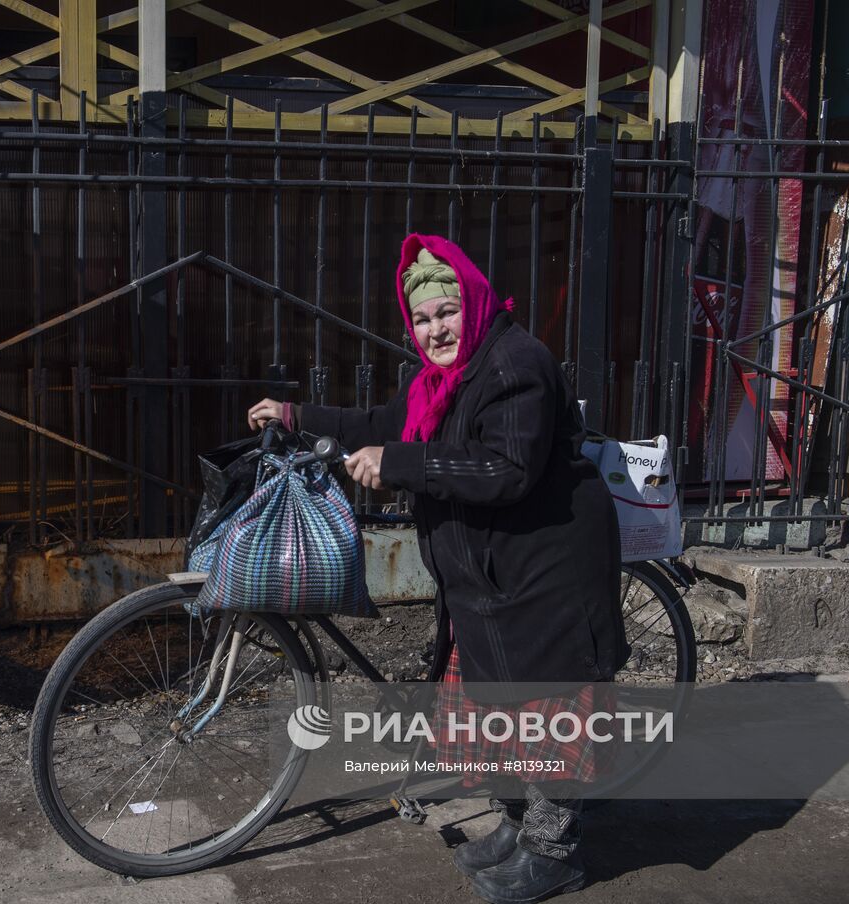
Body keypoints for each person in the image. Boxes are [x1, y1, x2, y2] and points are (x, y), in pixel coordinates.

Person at [246, 234, 628, 904]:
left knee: (545, 710)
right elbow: (382, 421)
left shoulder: (515, 366)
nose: (435, 328)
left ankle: (554, 851)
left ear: (473, 302)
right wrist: (296, 414)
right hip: (493, 574)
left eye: (445, 312)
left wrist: (401, 464)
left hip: (546, 570)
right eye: (422, 319)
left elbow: (506, 471)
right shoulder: (440, 381)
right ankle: (517, 827)